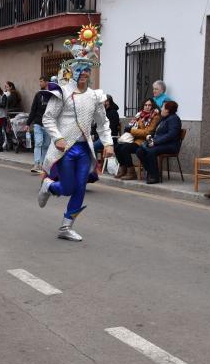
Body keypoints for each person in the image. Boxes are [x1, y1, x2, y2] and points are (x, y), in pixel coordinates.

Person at [37, 26, 114, 241]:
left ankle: (66, 227)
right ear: (72, 70)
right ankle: (49, 185)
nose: (84, 73)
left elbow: (102, 122)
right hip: (65, 148)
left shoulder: (95, 96)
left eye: (87, 69)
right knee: (69, 187)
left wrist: (108, 143)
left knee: (80, 187)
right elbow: (48, 118)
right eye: (80, 69)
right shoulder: (60, 92)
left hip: (84, 148)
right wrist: (58, 138)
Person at [135, 100, 182, 184]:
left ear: (167, 110)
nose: (161, 109)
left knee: (151, 151)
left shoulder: (174, 119)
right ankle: (151, 172)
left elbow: (171, 135)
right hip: (160, 143)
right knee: (139, 151)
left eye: (162, 107)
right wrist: (150, 136)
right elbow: (156, 131)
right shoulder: (163, 118)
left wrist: (155, 142)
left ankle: (154, 176)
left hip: (170, 146)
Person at [114, 98, 160, 180]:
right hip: (134, 139)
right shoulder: (139, 115)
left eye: (149, 105)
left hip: (144, 141)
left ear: (153, 106)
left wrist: (132, 130)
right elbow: (133, 126)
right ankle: (123, 169)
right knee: (117, 147)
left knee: (125, 148)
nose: (147, 107)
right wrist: (129, 128)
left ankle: (131, 172)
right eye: (145, 105)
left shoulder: (155, 116)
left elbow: (147, 132)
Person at [25, 76, 51, 173]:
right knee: (38, 143)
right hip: (38, 124)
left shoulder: (53, 95)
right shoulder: (38, 95)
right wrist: (28, 123)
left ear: (47, 82)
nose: (40, 83)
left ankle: (43, 164)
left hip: (48, 125)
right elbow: (33, 110)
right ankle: (36, 164)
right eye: (39, 81)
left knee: (46, 145)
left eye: (41, 81)